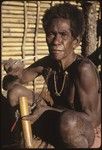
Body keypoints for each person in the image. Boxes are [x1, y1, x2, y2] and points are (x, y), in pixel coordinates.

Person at [3, 3, 101, 148]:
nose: (56, 42)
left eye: (63, 35)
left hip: (85, 131)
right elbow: (9, 85)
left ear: (76, 41)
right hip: (58, 119)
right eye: (51, 34)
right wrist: (13, 73)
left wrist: (47, 109)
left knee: (69, 122)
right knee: (14, 93)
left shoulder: (83, 69)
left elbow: (93, 120)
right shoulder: (47, 63)